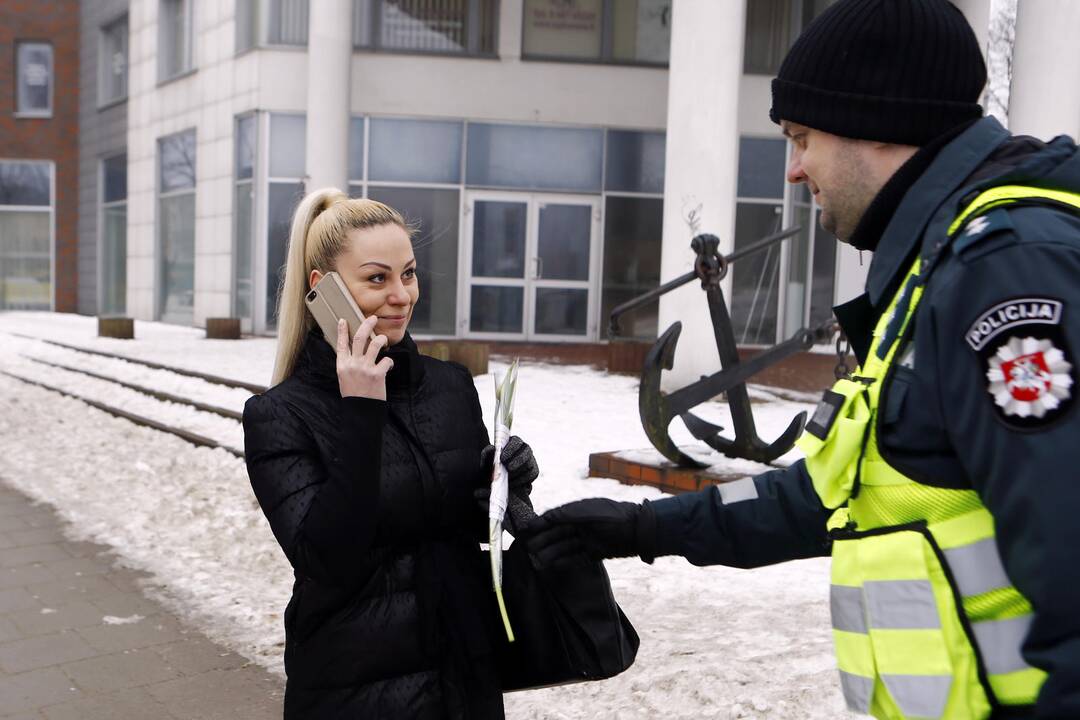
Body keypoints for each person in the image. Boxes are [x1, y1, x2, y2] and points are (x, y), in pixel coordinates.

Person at [523, 1, 1080, 718]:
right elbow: (829, 494)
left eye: (801, 136)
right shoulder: (938, 272)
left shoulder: (1008, 274)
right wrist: (644, 528)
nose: (792, 170)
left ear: (876, 125)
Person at [242, 189, 538, 719]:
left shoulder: (449, 386)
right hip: (356, 688)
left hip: (463, 677)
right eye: (377, 278)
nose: (401, 295)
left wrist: (507, 485)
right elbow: (327, 559)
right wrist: (361, 412)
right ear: (324, 289)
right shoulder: (280, 414)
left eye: (409, 273)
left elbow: (458, 526)